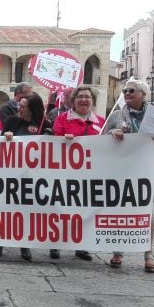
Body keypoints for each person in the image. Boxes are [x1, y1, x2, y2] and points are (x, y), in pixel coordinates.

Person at [103, 78, 154, 273]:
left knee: (146, 211)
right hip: (121, 170)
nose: (127, 93)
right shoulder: (116, 115)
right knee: (121, 211)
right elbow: (100, 142)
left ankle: (148, 253)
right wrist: (113, 132)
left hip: (144, 170)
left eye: (132, 91)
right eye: (125, 91)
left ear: (143, 95)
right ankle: (118, 251)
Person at [0, 93, 51, 261]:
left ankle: (24, 245)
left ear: (33, 109)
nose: (19, 108)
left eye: (23, 106)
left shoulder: (43, 125)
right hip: (10, 175)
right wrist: (6, 138)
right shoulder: (12, 121)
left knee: (25, 212)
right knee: (5, 210)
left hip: (31, 177)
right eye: (19, 105)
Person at [51, 85, 105, 261]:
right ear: (73, 101)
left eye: (87, 97)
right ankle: (55, 244)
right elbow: (52, 141)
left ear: (93, 100)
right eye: (80, 96)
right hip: (65, 173)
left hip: (90, 175)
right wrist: (61, 139)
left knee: (85, 210)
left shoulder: (102, 122)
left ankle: (82, 245)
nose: (84, 100)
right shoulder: (62, 119)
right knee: (60, 208)